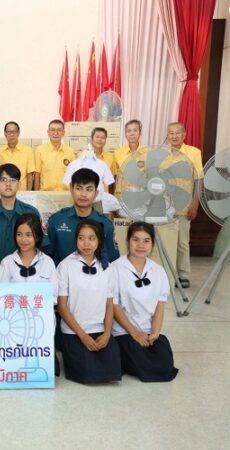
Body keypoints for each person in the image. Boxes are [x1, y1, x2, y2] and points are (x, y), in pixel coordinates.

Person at [112, 222, 179, 382]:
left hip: (149, 331)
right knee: (140, 361)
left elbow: (160, 305)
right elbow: (114, 306)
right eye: (136, 240)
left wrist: (155, 332)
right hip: (124, 332)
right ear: (128, 241)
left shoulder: (158, 271)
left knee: (165, 364)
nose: (141, 245)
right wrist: (135, 333)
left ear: (152, 244)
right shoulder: (115, 268)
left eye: (146, 241)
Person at [57, 219, 121, 384]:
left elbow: (109, 304)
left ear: (99, 240)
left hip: (99, 329)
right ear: (76, 240)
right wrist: (83, 336)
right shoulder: (65, 266)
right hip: (74, 331)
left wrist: (107, 333)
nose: (86, 243)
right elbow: (62, 307)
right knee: (87, 374)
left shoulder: (106, 267)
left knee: (112, 373)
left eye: (91, 238)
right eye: (81, 238)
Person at [47, 168, 119, 266]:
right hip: (62, 275)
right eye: (79, 188)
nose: (83, 194)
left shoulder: (106, 225)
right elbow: (46, 258)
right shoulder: (56, 220)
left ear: (96, 193)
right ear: (71, 190)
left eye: (89, 189)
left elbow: (113, 261)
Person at [0, 164, 45, 263]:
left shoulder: (32, 213)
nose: (8, 184)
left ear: (19, 184)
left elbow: (40, 247)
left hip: (23, 270)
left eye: (13, 180)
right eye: (3, 180)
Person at [166, 122, 204, 288]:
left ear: (184, 135)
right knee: (167, 241)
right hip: (165, 206)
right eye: (171, 133)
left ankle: (183, 274)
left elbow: (199, 180)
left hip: (185, 206)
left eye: (177, 133)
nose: (174, 136)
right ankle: (168, 273)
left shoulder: (194, 153)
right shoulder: (162, 154)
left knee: (182, 242)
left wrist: (195, 204)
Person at [0, 214, 57, 291]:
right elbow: (2, 292)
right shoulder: (6, 263)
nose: (23, 240)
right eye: (19, 234)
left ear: (37, 236)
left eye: (29, 235)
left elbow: (53, 293)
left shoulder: (48, 262)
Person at [63, 128, 115, 199]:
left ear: (106, 140)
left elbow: (112, 180)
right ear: (91, 139)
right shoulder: (78, 158)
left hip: (101, 198)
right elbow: (70, 181)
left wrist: (111, 198)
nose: (100, 139)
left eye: (102, 137)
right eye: (97, 137)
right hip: (80, 199)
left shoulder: (110, 158)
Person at [34, 119, 75, 191]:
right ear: (48, 132)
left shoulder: (70, 151)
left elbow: (73, 174)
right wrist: (36, 194)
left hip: (66, 193)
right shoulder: (40, 150)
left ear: (63, 133)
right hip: (45, 194)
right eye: (52, 130)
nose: (56, 133)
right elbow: (37, 175)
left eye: (59, 130)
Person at [0, 121, 36, 191]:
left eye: (14, 132)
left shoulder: (28, 151)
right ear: (5, 134)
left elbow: (30, 176)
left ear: (18, 133)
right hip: (4, 192)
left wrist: (28, 193)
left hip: (22, 192)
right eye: (9, 132)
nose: (12, 134)